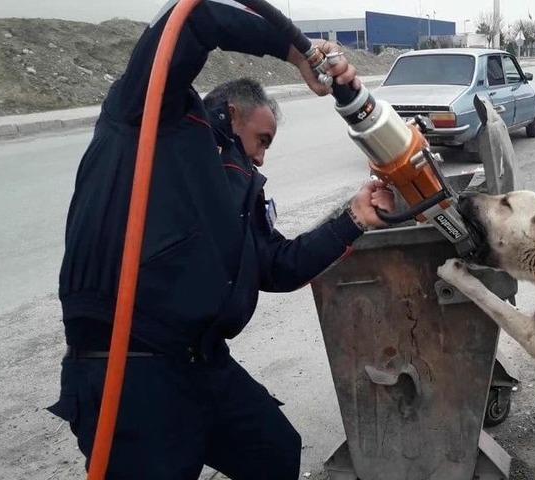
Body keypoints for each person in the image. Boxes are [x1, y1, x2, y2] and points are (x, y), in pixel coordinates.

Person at [47, 1, 394, 478]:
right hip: (129, 370)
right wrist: (295, 51)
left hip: (200, 363)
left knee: (274, 451)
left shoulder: (237, 189)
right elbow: (193, 17)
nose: (264, 157)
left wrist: (354, 218)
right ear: (232, 114)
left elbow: (277, 266)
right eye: (263, 140)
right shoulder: (149, 116)